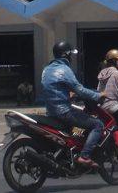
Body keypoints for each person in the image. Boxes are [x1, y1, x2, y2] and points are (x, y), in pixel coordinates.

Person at [42, 41, 106, 169]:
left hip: (51, 112)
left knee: (75, 130)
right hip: (64, 112)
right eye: (71, 54)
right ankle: (84, 156)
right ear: (66, 55)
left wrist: (70, 94)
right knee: (98, 124)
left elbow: (56, 88)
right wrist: (98, 95)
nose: (72, 57)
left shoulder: (46, 70)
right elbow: (80, 90)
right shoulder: (65, 70)